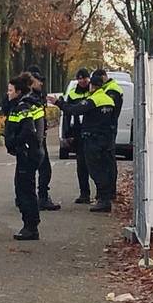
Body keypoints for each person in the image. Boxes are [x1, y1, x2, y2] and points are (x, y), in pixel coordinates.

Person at [55, 71, 118, 213]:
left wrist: (58, 103)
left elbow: (74, 110)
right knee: (104, 168)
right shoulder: (109, 99)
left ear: (92, 86)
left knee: (95, 170)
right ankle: (105, 197)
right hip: (106, 139)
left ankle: (104, 200)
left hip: (93, 140)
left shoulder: (94, 99)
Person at [5, 73, 45, 240]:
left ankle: (30, 227)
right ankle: (30, 225)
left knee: (24, 190)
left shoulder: (23, 107)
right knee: (26, 188)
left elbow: (27, 130)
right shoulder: (33, 103)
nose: (8, 93)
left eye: (10, 90)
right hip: (33, 152)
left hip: (27, 154)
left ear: (18, 91)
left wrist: (14, 143)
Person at [27, 66, 61, 211]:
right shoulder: (28, 97)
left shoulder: (39, 95)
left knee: (37, 169)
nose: (41, 83)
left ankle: (31, 197)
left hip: (38, 137)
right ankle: (40, 197)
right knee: (41, 168)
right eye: (38, 80)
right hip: (33, 139)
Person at [64, 68, 93, 204]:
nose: (82, 81)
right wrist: (67, 133)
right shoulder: (72, 94)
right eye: (79, 78)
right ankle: (84, 193)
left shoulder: (93, 91)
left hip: (92, 132)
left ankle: (101, 194)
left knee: (94, 164)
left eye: (84, 78)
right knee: (81, 165)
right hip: (78, 132)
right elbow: (67, 114)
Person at [97, 68, 124, 203]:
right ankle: (107, 192)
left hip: (108, 129)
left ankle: (110, 192)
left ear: (103, 77)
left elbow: (109, 111)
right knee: (107, 161)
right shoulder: (110, 88)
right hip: (109, 128)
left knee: (108, 161)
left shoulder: (112, 90)